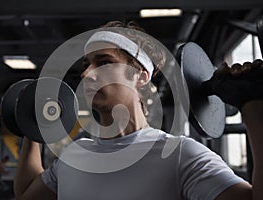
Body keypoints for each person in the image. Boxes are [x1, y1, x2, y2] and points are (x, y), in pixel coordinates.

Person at [14, 21, 263, 200]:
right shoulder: (73, 156)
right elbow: (26, 193)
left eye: (104, 62)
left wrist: (252, 107)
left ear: (140, 76)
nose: (87, 74)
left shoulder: (179, 155)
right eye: (86, 65)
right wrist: (33, 126)